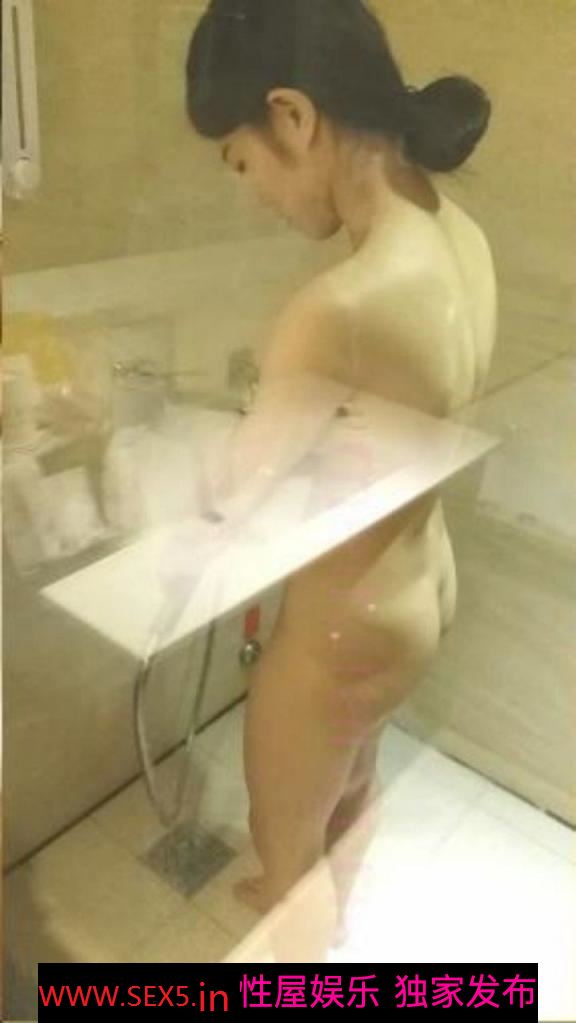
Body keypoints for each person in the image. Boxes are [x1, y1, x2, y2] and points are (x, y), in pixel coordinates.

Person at [185, 0, 497, 959]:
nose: (254, 196)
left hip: (340, 629)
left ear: (291, 116)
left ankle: (304, 957)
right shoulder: (459, 235)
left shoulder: (337, 306)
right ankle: (334, 918)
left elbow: (235, 494)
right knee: (353, 782)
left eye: (242, 162)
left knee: (285, 856)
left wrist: (216, 452)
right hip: (419, 589)